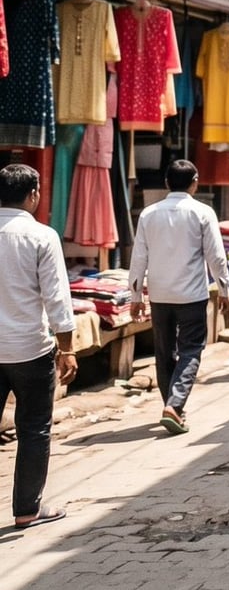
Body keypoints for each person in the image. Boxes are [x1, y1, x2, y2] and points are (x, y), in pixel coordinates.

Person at [126, 160, 229, 435]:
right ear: (195, 183)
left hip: (160, 295)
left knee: (163, 353)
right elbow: (216, 257)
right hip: (191, 295)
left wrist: (135, 296)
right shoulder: (203, 212)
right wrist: (224, 289)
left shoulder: (148, 214)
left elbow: (139, 257)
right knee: (191, 351)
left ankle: (172, 407)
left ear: (166, 183)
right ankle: (174, 406)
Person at [0, 164, 76, 529]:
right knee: (34, 429)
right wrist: (68, 348)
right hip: (31, 349)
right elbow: (57, 297)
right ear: (33, 195)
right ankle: (27, 508)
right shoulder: (42, 236)